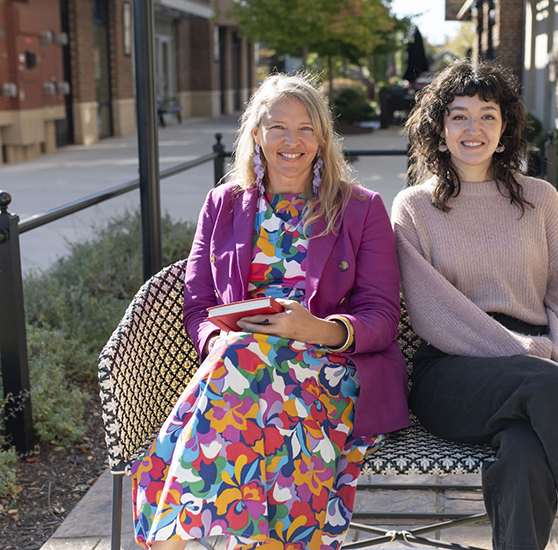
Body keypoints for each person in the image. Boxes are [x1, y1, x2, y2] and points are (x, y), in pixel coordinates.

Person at [131, 73, 410, 550]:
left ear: (322, 138)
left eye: (305, 128)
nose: (291, 141)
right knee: (244, 364)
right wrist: (217, 340)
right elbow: (198, 306)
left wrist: (317, 328)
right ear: (256, 133)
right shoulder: (223, 205)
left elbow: (382, 317)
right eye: (277, 127)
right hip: (243, 371)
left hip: (334, 370)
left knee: (244, 370)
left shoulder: (361, 209)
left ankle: (169, 541)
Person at [391, 59, 558, 550]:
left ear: (504, 133)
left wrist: (545, 351)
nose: (473, 128)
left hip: (535, 368)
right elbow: (432, 313)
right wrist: (521, 354)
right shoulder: (414, 206)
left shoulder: (540, 198)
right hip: (452, 371)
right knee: (548, 386)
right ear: (440, 131)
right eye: (458, 115)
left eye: (487, 115)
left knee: (526, 453)